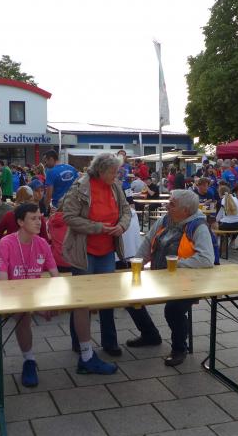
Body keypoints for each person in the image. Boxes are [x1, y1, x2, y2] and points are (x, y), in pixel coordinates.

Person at [125, 190, 215, 365]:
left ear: (185, 210)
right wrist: (138, 263)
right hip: (161, 277)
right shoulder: (165, 220)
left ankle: (179, 349)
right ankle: (150, 335)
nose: (167, 206)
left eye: (172, 204)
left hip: (190, 282)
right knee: (129, 297)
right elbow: (147, 242)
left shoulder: (198, 226)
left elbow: (206, 259)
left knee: (173, 309)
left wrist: (177, 264)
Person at [62, 152, 130, 371]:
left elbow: (126, 211)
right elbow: (69, 217)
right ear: (100, 170)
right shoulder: (80, 187)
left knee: (107, 298)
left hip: (107, 250)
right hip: (85, 251)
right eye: (112, 172)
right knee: (82, 300)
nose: (116, 175)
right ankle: (80, 343)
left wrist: (122, 225)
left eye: (117, 171)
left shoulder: (115, 186)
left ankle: (110, 342)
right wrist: (98, 227)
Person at [0, 203, 61, 387]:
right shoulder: (5, 244)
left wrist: (54, 302)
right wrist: (37, 309)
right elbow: (3, 285)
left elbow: (55, 277)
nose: (39, 222)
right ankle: (29, 360)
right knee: (23, 316)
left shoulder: (42, 244)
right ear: (20, 222)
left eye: (40, 218)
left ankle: (86, 353)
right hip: (10, 295)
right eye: (33, 218)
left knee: (82, 305)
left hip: (34, 294)